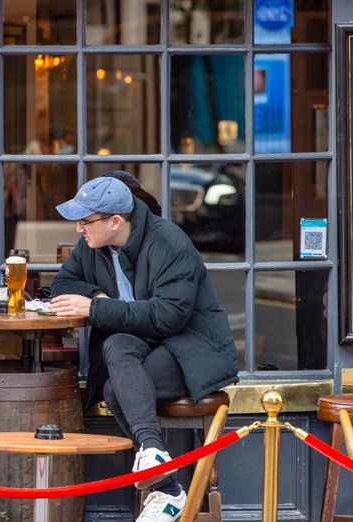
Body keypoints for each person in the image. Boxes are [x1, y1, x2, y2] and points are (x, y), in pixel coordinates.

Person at [49, 176, 238, 522]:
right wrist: (97, 296)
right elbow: (61, 284)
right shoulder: (93, 244)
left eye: (85, 221)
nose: (78, 229)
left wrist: (96, 310)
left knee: (115, 388)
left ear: (115, 221)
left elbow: (168, 316)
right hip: (141, 345)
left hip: (190, 347)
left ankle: (166, 488)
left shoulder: (168, 242)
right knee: (118, 347)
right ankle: (156, 462)